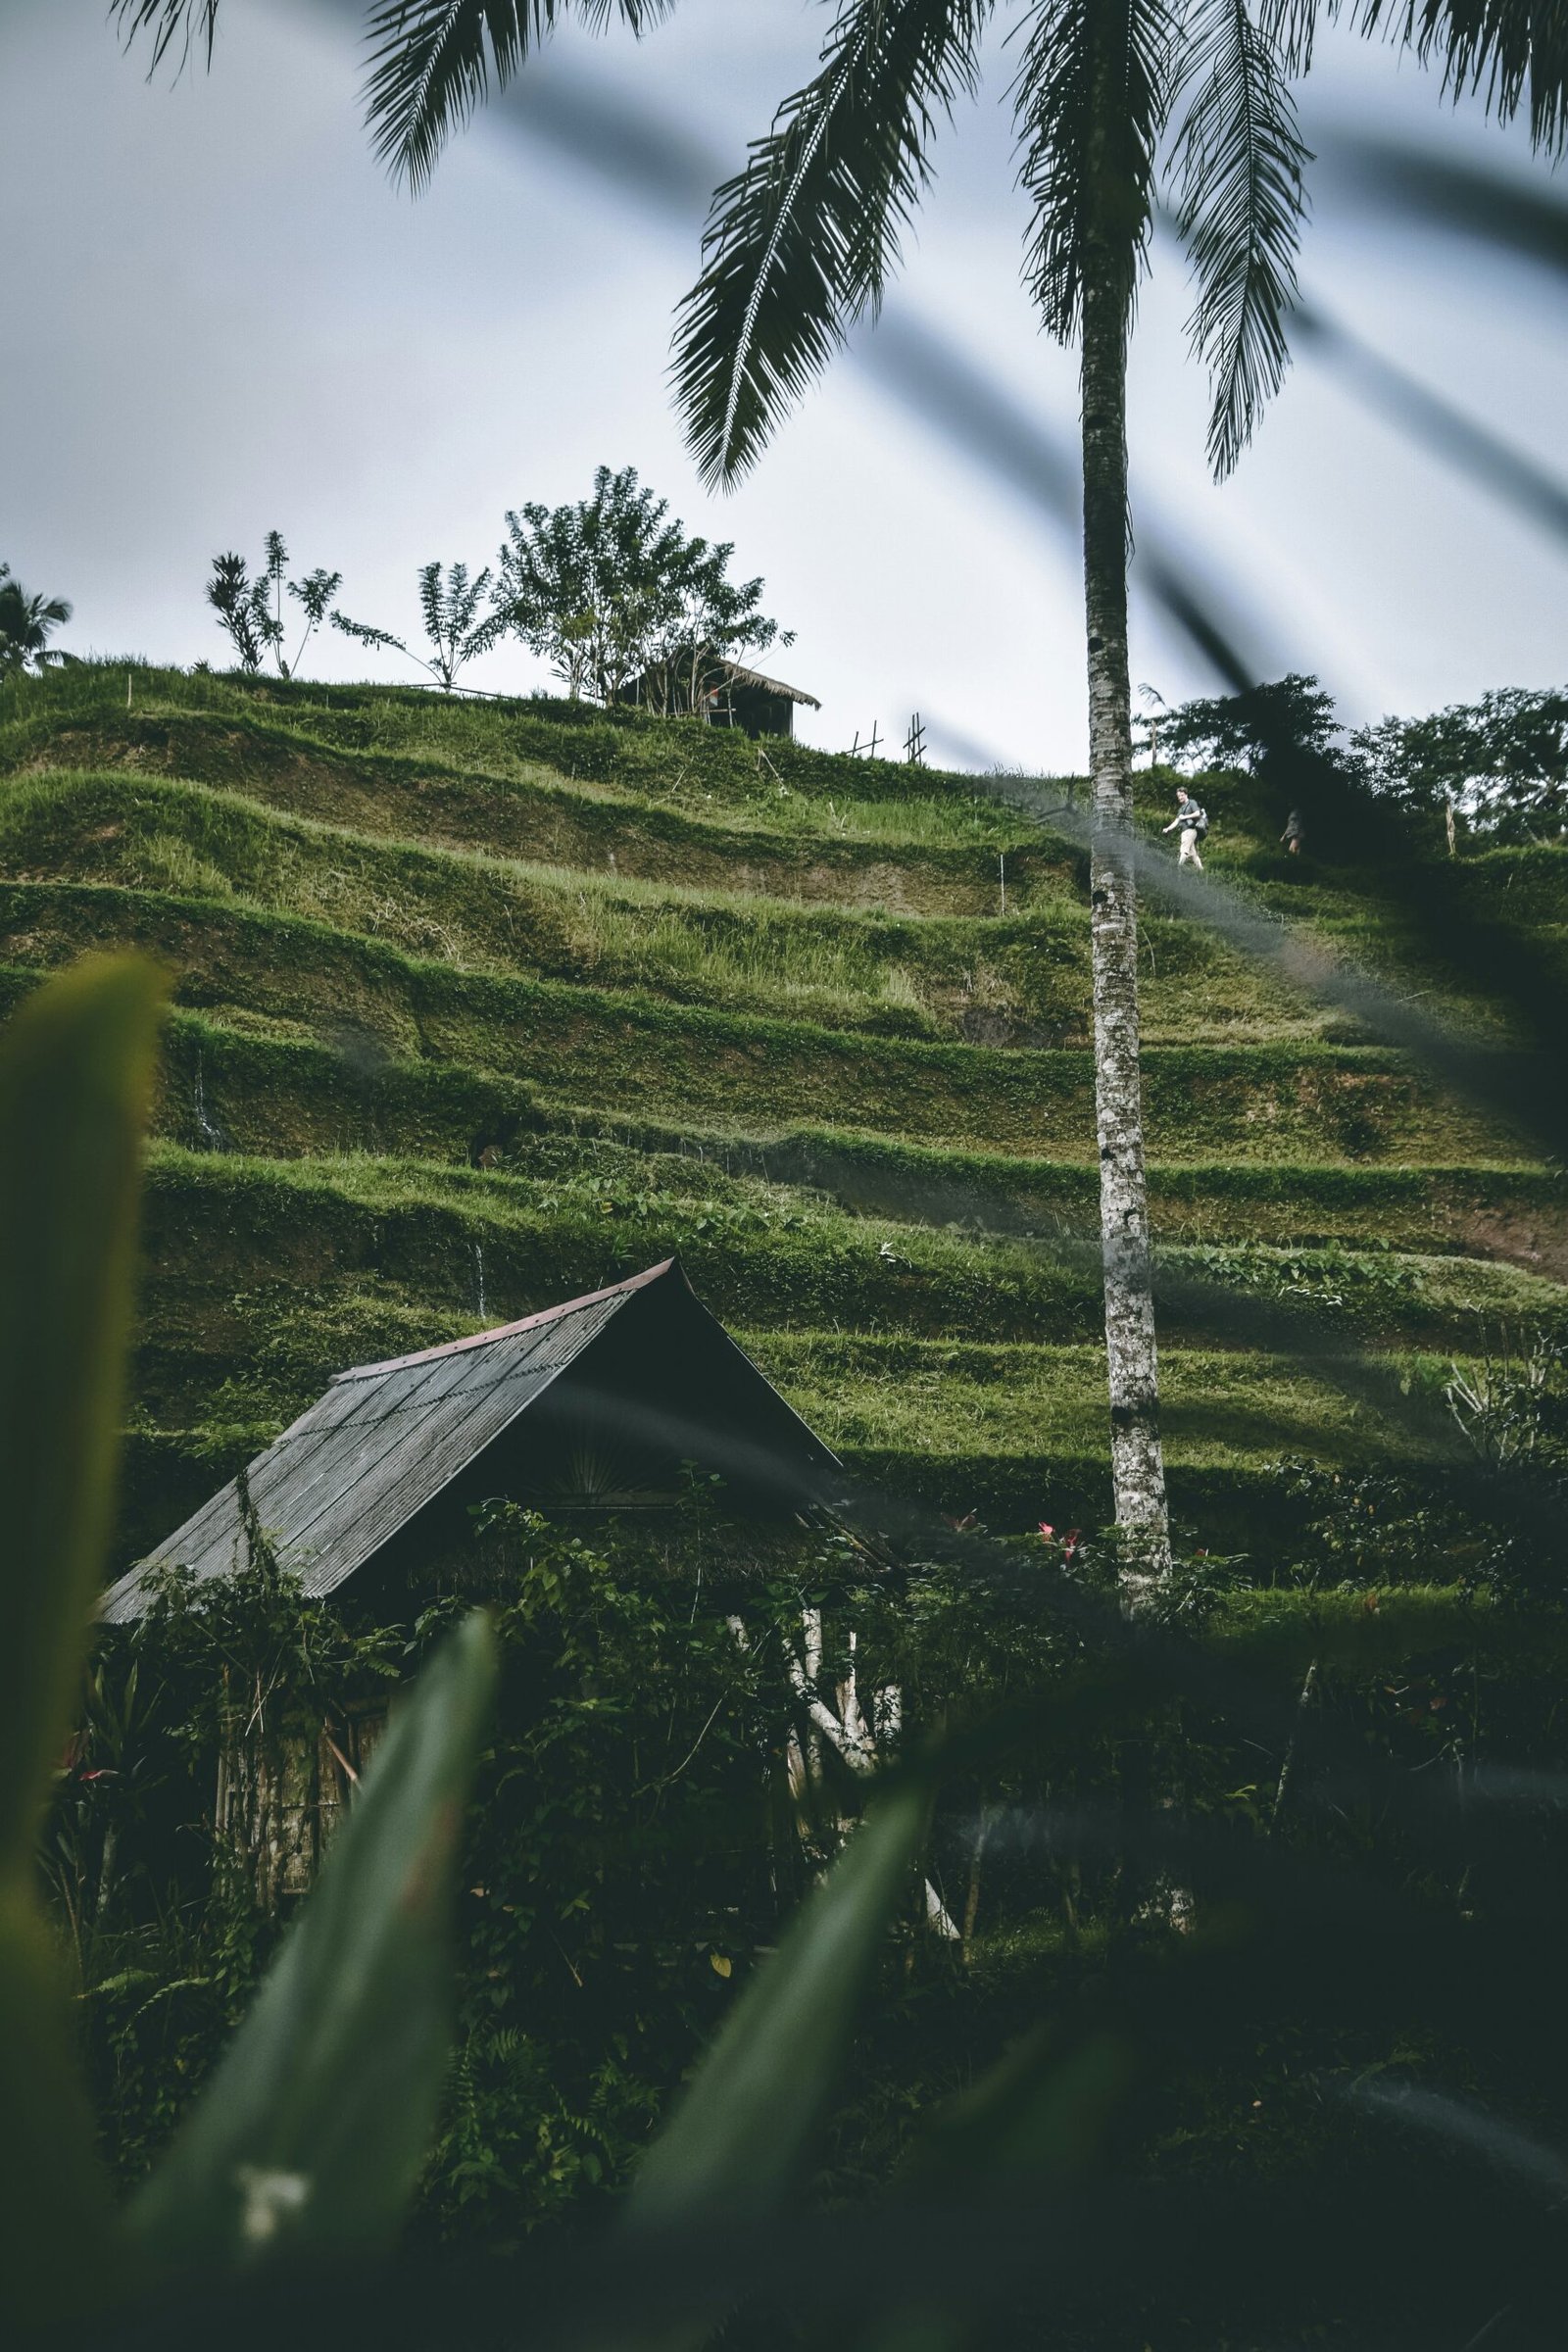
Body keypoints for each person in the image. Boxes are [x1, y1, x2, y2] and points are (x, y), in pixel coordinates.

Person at [1162, 784, 1207, 868]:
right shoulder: (1181, 809)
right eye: (1179, 796)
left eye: (1182, 795)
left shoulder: (1191, 803)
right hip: (1184, 831)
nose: (1180, 797)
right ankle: (1202, 871)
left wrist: (1185, 817)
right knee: (1193, 854)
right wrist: (1168, 828)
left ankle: (1177, 868)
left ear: (1186, 794)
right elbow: (1177, 821)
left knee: (1184, 850)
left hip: (1190, 830)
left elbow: (1197, 813)